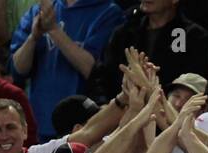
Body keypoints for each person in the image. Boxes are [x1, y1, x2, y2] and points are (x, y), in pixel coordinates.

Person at [8, 0, 127, 140]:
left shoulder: (108, 12)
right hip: (38, 123)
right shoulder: (38, 12)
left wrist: (54, 30)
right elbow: (18, 69)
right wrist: (33, 38)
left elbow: (92, 69)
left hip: (84, 126)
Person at [90, 0, 208, 104]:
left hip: (166, 117)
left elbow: (191, 86)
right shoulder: (124, 33)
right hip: (120, 113)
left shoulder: (193, 37)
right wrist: (104, 105)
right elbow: (101, 76)